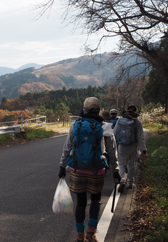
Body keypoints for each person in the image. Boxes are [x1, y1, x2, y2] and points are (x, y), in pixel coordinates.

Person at [58, 98, 120, 242]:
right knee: (96, 200)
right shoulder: (105, 127)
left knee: (80, 202)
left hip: (77, 169)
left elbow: (67, 147)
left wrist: (61, 166)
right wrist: (116, 171)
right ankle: (91, 234)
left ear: (84, 110)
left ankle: (80, 236)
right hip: (96, 170)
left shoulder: (75, 125)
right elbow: (112, 151)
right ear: (98, 110)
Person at [113, 105, 147, 193]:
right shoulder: (137, 122)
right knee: (131, 164)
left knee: (121, 164)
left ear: (127, 111)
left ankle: (122, 180)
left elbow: (114, 133)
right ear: (135, 112)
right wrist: (143, 150)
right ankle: (130, 183)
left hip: (122, 146)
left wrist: (113, 146)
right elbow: (140, 137)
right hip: (133, 146)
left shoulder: (120, 120)